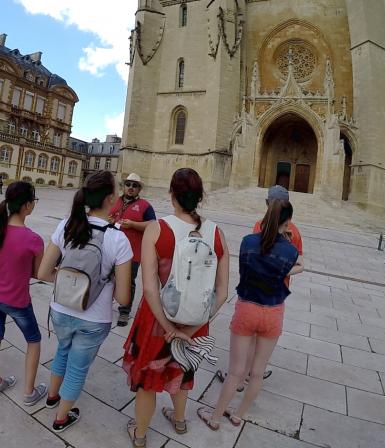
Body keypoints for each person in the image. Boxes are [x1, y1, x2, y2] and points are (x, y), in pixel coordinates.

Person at [123, 168, 229, 447]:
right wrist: (191, 329)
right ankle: (179, 420)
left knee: (148, 378)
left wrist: (170, 328)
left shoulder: (159, 229)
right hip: (195, 320)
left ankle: (141, 434)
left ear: (171, 194)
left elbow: (148, 287)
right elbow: (223, 292)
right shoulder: (217, 233)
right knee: (183, 370)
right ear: (199, 196)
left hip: (158, 318)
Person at [38, 170, 132, 433]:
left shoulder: (66, 224)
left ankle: (52, 396)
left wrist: (72, 281)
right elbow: (124, 297)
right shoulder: (118, 239)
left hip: (60, 309)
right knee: (78, 368)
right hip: (94, 317)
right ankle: (61, 417)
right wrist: (103, 280)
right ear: (112, 198)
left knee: (62, 350)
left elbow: (44, 272)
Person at [198, 199, 301, 430]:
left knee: (236, 371)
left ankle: (214, 417)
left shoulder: (248, 242)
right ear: (288, 222)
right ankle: (238, 415)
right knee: (257, 372)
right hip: (273, 311)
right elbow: (293, 266)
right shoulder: (290, 251)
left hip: (247, 307)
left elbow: (246, 272)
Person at [216, 185, 304, 389]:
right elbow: (298, 260)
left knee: (249, 337)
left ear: (268, 205)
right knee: (261, 336)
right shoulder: (296, 230)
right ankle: (254, 372)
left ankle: (239, 377)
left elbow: (257, 257)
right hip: (277, 295)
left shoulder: (261, 225)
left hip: (256, 292)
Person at [0, 181, 48, 405]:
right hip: (16, 299)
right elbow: (39, 273)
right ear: (27, 205)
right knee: (33, 340)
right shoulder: (33, 239)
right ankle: (29, 392)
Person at [108, 173, 156, 327]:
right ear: (124, 186)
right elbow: (104, 216)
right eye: (128, 184)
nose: (131, 188)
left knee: (128, 282)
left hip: (132, 252)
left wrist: (134, 225)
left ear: (139, 189)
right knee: (106, 278)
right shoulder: (114, 200)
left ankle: (124, 311)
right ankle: (104, 304)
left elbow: (153, 225)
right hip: (110, 248)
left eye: (135, 185)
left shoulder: (145, 205)